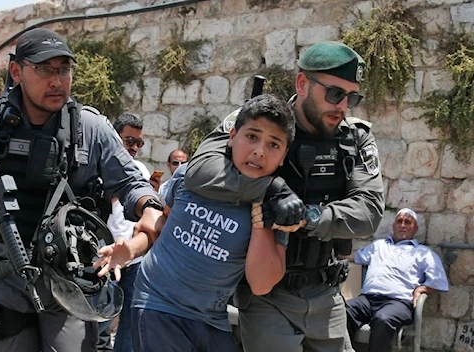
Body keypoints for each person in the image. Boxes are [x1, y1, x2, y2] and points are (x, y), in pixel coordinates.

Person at [0, 28, 164, 352]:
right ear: (16, 71)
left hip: (70, 274)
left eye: (64, 69)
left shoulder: (90, 128)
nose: (57, 80)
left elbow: (131, 180)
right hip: (4, 269)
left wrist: (149, 206)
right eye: (44, 69)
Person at [184, 41, 385, 352]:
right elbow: (199, 171)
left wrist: (308, 216)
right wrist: (271, 190)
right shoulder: (262, 121)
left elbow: (369, 211)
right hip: (267, 295)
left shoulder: (355, 137)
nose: (343, 105)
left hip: (326, 294)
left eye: (352, 97)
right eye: (334, 94)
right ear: (303, 83)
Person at [95, 94, 306, 352]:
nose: (260, 151)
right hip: (157, 304)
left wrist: (260, 217)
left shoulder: (276, 206)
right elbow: (162, 225)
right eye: (252, 136)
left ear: (284, 156)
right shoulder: (193, 178)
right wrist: (132, 249)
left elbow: (261, 283)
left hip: (211, 319)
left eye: (274, 145)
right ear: (231, 137)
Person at [344, 208, 448, 352]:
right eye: (399, 221)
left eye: (408, 222)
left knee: (382, 319)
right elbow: (354, 257)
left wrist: (422, 289)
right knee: (341, 312)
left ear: (415, 228)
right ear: (393, 226)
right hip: (367, 300)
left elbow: (439, 281)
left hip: (398, 303)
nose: (403, 225)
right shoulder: (379, 246)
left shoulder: (424, 253)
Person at [98, 113, 151, 352]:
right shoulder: (98, 166)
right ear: (114, 138)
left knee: (130, 324)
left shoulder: (140, 170)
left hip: (134, 258)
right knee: (100, 321)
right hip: (105, 256)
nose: (134, 148)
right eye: (129, 141)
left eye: (139, 143)